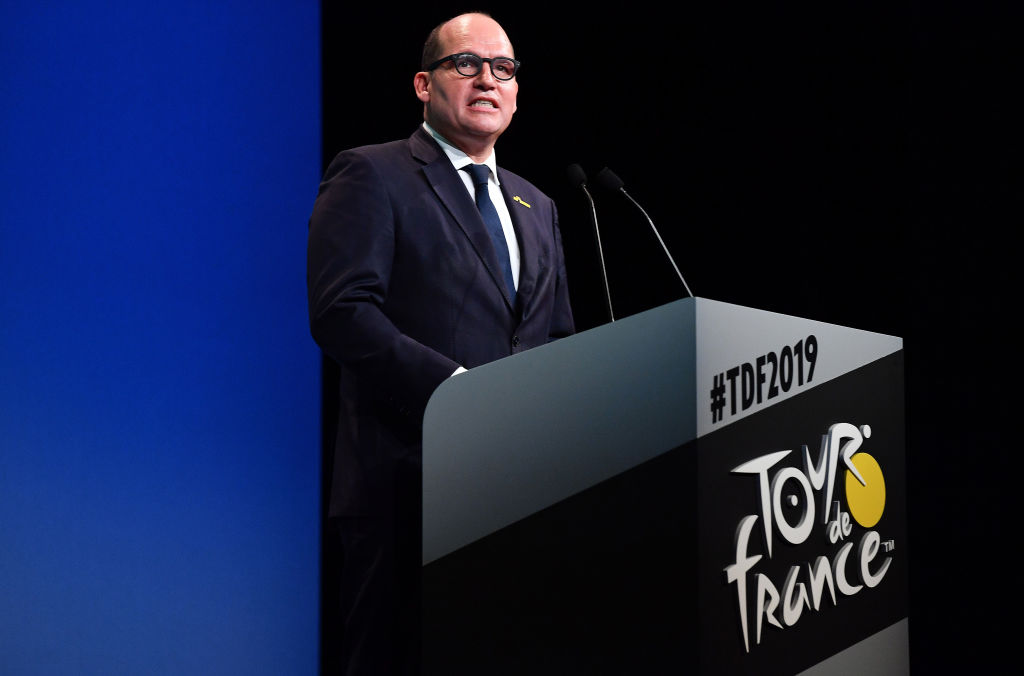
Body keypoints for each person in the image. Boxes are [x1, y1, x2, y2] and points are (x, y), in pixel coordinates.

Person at [307, 12, 575, 675]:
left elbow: (558, 340)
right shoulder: (373, 174)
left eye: (503, 68)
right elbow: (343, 312)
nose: (487, 79)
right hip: (406, 490)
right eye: (466, 64)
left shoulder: (538, 205)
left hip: (517, 493)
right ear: (424, 85)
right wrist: (456, 395)